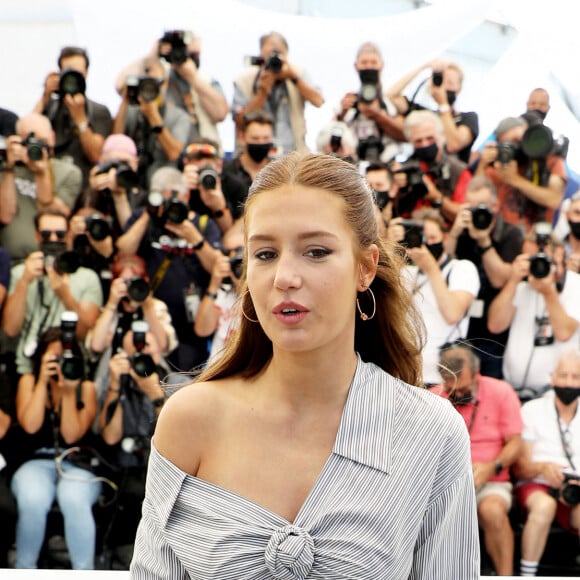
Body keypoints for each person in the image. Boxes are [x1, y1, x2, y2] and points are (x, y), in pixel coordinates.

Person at [130, 152, 480, 578]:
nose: (284, 277)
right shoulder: (190, 418)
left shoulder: (431, 432)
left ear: (365, 267)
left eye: (315, 251)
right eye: (264, 254)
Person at [10, 325, 100, 569]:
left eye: (65, 358)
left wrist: (68, 393)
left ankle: (85, 572)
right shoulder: (28, 381)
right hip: (35, 461)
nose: (59, 363)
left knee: (74, 498)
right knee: (33, 497)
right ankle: (24, 569)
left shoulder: (86, 387)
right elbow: (30, 425)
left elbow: (71, 435)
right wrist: (42, 381)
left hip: (77, 463)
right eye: (53, 358)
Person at [116, 167, 221, 375]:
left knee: (184, 384)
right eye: (162, 198)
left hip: (191, 327)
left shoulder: (202, 224)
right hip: (151, 319)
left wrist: (194, 239)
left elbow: (217, 267)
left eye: (175, 197)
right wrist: (149, 214)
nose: (170, 205)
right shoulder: (144, 218)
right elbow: (123, 251)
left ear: (187, 195)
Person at [433, 343, 523, 576]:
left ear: (476, 373)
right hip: (446, 482)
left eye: (463, 389)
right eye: (452, 390)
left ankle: (506, 576)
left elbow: (516, 443)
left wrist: (493, 467)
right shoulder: (434, 396)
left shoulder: (501, 391)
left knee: (492, 510)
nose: (458, 395)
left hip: (490, 479)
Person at [1, 209, 103, 377]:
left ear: (69, 235)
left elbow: (85, 334)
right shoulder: (21, 273)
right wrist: (25, 281)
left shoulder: (87, 277)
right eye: (47, 234)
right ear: (37, 236)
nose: (54, 239)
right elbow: (11, 329)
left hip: (73, 369)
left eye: (60, 234)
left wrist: (65, 295)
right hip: (27, 368)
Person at [389, 208, 480, 386]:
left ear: (445, 238)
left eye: (432, 238)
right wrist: (391, 247)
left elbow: (452, 314)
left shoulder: (461, 268)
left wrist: (431, 268)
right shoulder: (406, 271)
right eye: (421, 238)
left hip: (445, 379)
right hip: (407, 376)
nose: (427, 244)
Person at [488, 225, 580, 399]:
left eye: (541, 257)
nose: (537, 263)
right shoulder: (522, 287)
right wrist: (513, 280)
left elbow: (564, 332)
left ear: (559, 253)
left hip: (555, 393)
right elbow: (495, 325)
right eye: (530, 258)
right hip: (513, 390)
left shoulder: (576, 285)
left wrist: (548, 292)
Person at [445, 177, 523, 377]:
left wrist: (484, 240)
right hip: (460, 331)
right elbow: (444, 266)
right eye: (470, 207)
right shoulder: (462, 231)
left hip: (493, 336)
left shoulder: (510, 233)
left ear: (495, 206)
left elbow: (501, 279)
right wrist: (454, 233)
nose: (476, 213)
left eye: (482, 207)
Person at [512, 349, 580, 577]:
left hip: (575, 488)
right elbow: (520, 467)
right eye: (563, 375)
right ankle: (527, 574)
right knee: (544, 507)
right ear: (552, 377)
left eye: (575, 377)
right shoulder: (532, 410)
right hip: (537, 483)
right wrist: (542, 468)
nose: (568, 383)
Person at [115, 30, 229, 155]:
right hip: (163, 152)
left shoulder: (207, 81)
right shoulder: (160, 77)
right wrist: (153, 54)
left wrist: (193, 79)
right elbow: (121, 84)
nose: (182, 57)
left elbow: (221, 113)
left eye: (193, 54)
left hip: (200, 153)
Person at [0, 112, 82, 264]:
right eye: (29, 141)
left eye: (41, 141)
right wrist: (9, 167)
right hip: (12, 261)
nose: (35, 146)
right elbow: (5, 215)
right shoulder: (5, 171)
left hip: (52, 259)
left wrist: (42, 172)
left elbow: (52, 214)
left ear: (52, 137)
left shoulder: (69, 172)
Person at [233, 31, 324, 155]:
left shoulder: (297, 72)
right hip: (256, 157)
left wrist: (293, 78)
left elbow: (318, 101)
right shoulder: (245, 79)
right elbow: (239, 120)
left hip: (293, 155)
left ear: (287, 54)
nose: (275, 59)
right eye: (270, 54)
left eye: (279, 53)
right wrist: (262, 94)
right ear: (261, 55)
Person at [34, 46, 112, 185]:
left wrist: (80, 118)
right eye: (67, 72)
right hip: (51, 181)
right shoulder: (50, 107)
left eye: (78, 73)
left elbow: (96, 156)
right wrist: (45, 95)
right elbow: (27, 130)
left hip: (84, 184)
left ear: (86, 73)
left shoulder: (99, 111)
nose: (72, 78)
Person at [474, 116, 566, 232]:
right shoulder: (499, 167)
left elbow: (553, 199)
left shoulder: (550, 159)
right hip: (502, 237)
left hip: (534, 239)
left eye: (518, 140)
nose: (517, 147)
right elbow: (474, 195)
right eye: (508, 144)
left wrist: (514, 179)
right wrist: (483, 163)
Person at [113, 56, 192, 189]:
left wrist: (153, 116)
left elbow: (174, 153)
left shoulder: (179, 116)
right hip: (132, 178)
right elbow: (115, 139)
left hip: (164, 183)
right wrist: (125, 100)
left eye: (155, 83)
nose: (150, 90)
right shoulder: (132, 111)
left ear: (165, 83)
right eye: (145, 84)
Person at [386, 59, 479, 164]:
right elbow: (390, 96)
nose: (444, 87)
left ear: (459, 88)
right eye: (441, 80)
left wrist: (443, 104)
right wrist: (423, 67)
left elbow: (453, 145)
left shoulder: (468, 118)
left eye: (450, 82)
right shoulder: (424, 115)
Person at [394, 109, 472, 224]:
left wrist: (436, 197)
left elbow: (466, 215)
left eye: (430, 138)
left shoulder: (458, 170)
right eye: (418, 141)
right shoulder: (405, 169)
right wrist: (396, 189)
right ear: (411, 142)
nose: (425, 144)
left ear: (441, 137)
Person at [335, 41, 408, 163]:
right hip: (354, 165)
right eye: (364, 63)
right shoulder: (349, 101)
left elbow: (406, 135)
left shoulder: (392, 100)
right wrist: (342, 113)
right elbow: (332, 136)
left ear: (381, 65)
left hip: (388, 163)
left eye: (373, 63)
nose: (369, 67)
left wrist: (378, 115)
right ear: (356, 66)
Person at [193, 221, 244, 365]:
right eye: (228, 252)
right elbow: (202, 330)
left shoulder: (262, 290)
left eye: (240, 251)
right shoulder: (223, 289)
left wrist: (242, 279)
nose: (234, 256)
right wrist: (215, 283)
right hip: (217, 371)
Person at [221, 110, 275, 220]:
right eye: (255, 138)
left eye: (266, 138)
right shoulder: (227, 172)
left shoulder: (279, 170)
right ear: (242, 137)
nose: (261, 143)